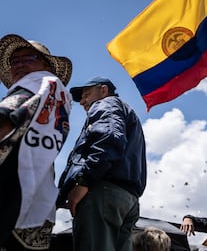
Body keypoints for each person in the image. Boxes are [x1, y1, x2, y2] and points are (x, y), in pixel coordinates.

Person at [57, 77, 147, 251]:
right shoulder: (125, 111)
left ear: (103, 90)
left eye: (86, 94)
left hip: (102, 192)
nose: (82, 101)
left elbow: (109, 139)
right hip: (127, 199)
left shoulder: (106, 104)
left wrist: (84, 181)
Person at [0, 34, 72, 250]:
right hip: (36, 202)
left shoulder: (41, 80)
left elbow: (7, 118)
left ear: (46, 66)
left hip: (11, 192)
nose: (19, 64)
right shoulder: (58, 94)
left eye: (28, 57)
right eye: (14, 61)